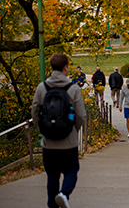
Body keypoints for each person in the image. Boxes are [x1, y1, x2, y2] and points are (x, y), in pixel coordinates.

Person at [32, 53, 86, 208]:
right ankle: (64, 194)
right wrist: (73, 130)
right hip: (68, 142)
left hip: (49, 143)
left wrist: (43, 130)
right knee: (71, 171)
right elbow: (81, 115)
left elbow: (35, 112)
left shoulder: (42, 87)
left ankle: (52, 204)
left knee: (52, 176)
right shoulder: (73, 88)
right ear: (65, 68)